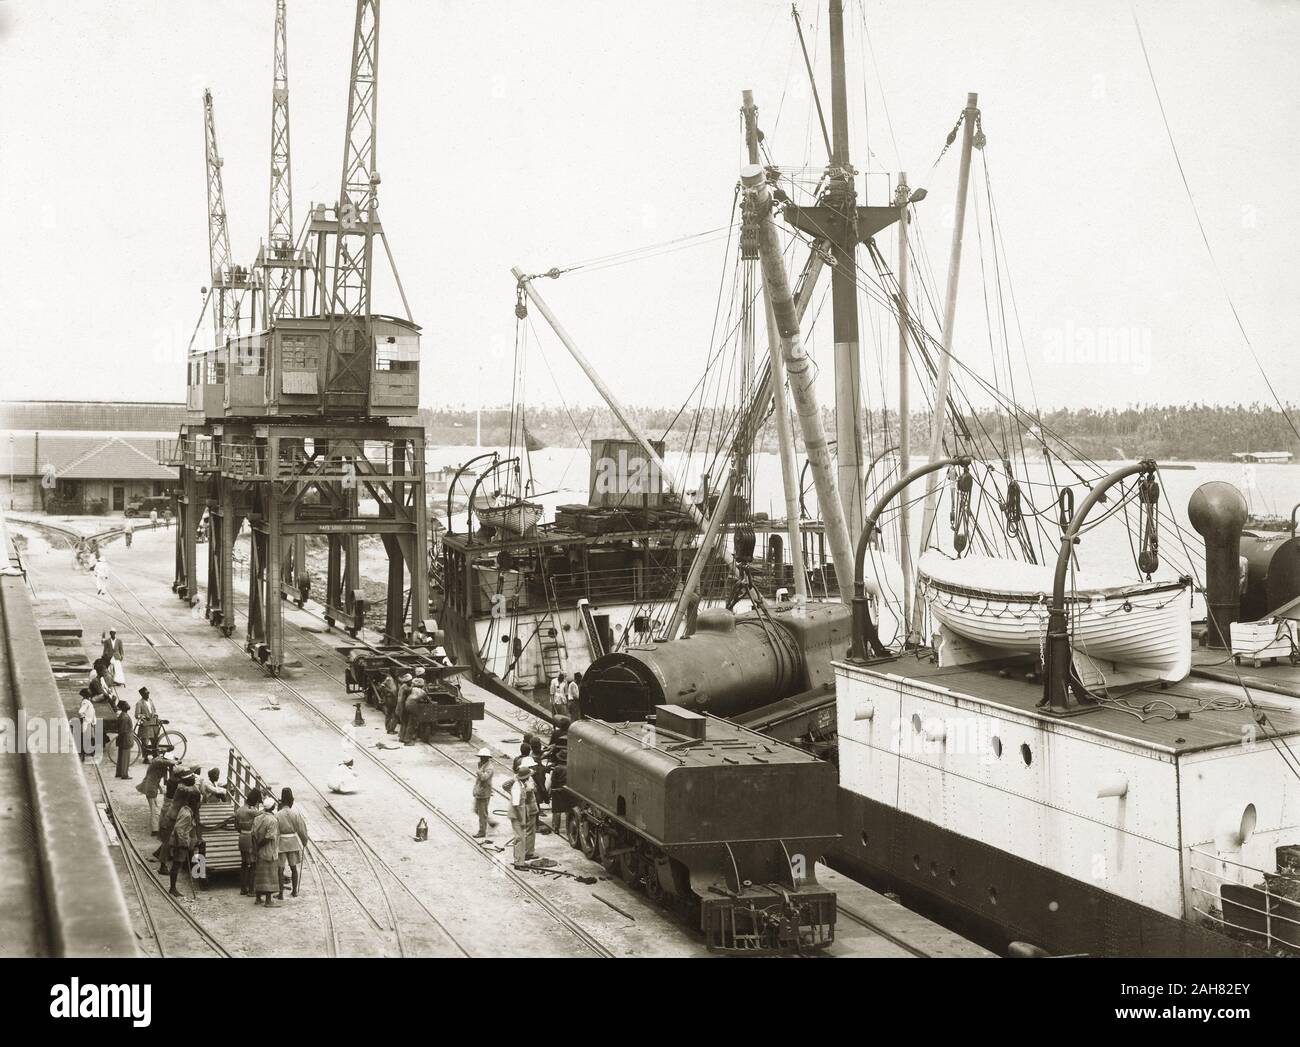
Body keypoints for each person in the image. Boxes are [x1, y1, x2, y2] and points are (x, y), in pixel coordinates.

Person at [275, 788, 310, 900]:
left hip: (281, 843)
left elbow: (275, 832)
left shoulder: (278, 815)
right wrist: (304, 841)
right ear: (291, 800)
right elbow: (301, 829)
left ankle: (280, 894)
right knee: (293, 867)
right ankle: (295, 891)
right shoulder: (296, 814)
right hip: (293, 842)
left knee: (280, 869)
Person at [167, 791, 199, 897]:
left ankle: (173, 887)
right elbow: (178, 828)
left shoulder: (184, 809)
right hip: (179, 843)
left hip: (179, 841)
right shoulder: (187, 815)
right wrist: (183, 843)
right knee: (177, 865)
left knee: (177, 864)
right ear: (194, 802)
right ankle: (172, 888)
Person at [509, 757, 539, 867]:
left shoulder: (520, 785)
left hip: (520, 814)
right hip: (518, 815)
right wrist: (521, 818)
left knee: (520, 838)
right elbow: (516, 805)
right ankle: (519, 863)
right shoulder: (517, 787)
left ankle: (519, 860)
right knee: (519, 839)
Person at [251, 796, 281, 906]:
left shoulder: (258, 818)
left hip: (259, 851)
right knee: (269, 875)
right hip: (268, 850)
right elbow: (269, 837)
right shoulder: (272, 820)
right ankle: (268, 900)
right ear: (273, 807)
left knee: (259, 874)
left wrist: (256, 847)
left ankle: (258, 898)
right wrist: (260, 845)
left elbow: (253, 834)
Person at [136, 753, 176, 832]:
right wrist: (174, 762)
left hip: (152, 787)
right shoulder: (157, 762)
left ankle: (156, 827)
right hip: (150, 787)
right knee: (155, 809)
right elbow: (160, 761)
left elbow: (164, 780)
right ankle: (155, 829)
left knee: (154, 808)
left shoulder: (162, 766)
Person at [235, 787, 262, 897]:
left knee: (244, 863)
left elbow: (236, 827)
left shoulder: (239, 810)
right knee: (253, 863)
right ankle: (251, 890)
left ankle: (243, 889)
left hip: (242, 837)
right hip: (249, 838)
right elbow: (263, 814)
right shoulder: (252, 812)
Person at [472, 748, 499, 838]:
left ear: (487, 758)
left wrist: (479, 772)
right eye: (480, 757)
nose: (481, 759)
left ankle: (482, 831)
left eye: (482, 757)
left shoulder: (489, 768)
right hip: (480, 791)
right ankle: (491, 822)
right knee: (477, 810)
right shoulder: (482, 765)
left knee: (482, 813)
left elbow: (484, 777)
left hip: (484, 792)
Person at [549, 745, 571, 837]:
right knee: (567, 810)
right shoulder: (570, 767)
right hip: (567, 790)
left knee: (557, 811)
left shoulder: (557, 768)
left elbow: (553, 781)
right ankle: (567, 829)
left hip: (557, 791)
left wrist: (551, 791)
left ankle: (556, 828)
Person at [134, 687, 159, 759]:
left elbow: (154, 710)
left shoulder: (150, 701)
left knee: (155, 740)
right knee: (145, 742)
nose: (148, 695)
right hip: (146, 725)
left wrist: (155, 714)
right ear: (142, 695)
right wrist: (144, 716)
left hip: (153, 723)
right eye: (146, 693)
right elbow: (137, 715)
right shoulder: (139, 703)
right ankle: (145, 758)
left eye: (148, 693)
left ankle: (155, 755)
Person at [113, 701, 133, 779]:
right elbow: (123, 730)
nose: (128, 705)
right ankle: (124, 774)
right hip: (126, 739)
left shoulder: (122, 715)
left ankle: (119, 772)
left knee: (121, 756)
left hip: (122, 739)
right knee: (125, 758)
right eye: (126, 704)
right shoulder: (125, 716)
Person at [77, 688, 97, 764]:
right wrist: (86, 718)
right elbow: (80, 711)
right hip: (87, 723)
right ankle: (83, 755)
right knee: (86, 738)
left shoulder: (86, 702)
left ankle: (88, 752)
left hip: (90, 722)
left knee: (91, 737)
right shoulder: (86, 702)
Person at [530, 738, 550, 806]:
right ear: (538, 747)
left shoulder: (533, 753)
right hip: (538, 780)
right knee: (538, 798)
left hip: (536, 778)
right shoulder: (535, 759)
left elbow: (540, 752)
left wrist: (547, 749)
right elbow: (540, 775)